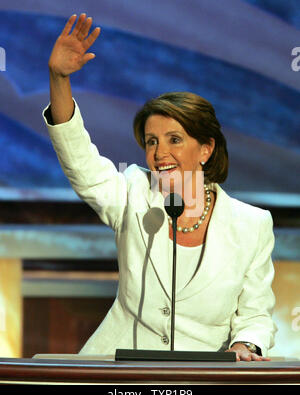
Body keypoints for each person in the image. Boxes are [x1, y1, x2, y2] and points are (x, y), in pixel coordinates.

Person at [43, 14, 277, 361]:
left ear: (206, 148)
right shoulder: (133, 194)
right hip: (117, 372)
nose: (159, 153)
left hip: (201, 376)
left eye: (174, 140)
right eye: (151, 141)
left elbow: (255, 314)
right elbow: (80, 162)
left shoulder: (252, 225)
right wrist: (59, 78)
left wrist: (244, 345)